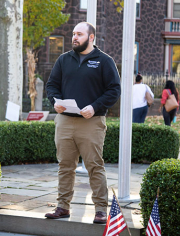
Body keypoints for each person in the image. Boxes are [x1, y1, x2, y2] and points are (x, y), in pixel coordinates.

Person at [45, 22, 121, 224]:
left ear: (91, 37)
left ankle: (100, 210)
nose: (74, 37)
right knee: (65, 166)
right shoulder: (63, 60)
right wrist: (55, 102)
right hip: (64, 121)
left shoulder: (104, 61)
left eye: (79, 34)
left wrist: (95, 107)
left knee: (95, 166)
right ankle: (62, 207)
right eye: (73, 34)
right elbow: (52, 85)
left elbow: (114, 90)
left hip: (92, 122)